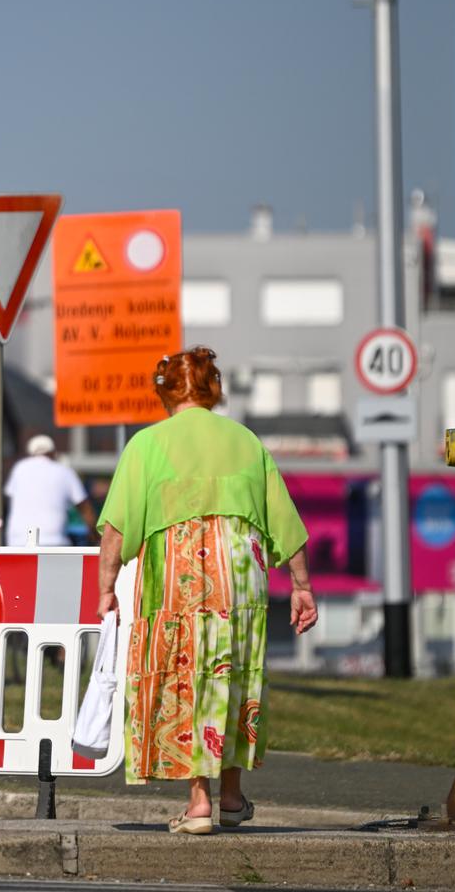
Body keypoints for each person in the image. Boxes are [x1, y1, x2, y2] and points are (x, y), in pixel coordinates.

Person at [95, 346, 316, 835]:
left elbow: (114, 530)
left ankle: (198, 803)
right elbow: (285, 523)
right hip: (240, 571)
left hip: (177, 572)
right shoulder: (246, 442)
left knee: (186, 673)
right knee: (232, 671)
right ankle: (232, 797)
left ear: (165, 392)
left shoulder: (146, 446)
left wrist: (106, 589)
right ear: (213, 389)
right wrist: (302, 585)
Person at [5, 434, 94, 547]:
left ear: (31, 453)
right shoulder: (64, 471)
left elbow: (10, 497)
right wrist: (94, 535)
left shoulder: (19, 468)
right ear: (53, 453)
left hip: (18, 540)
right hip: (54, 540)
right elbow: (85, 508)